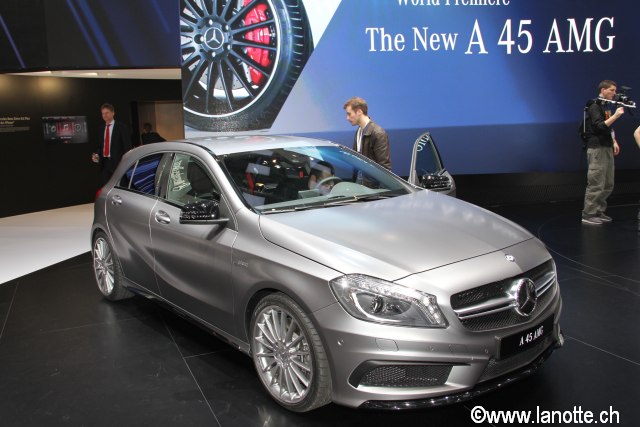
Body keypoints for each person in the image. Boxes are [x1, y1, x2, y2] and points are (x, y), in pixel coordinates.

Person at [581, 80, 625, 225]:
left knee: (607, 182)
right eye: (611, 90)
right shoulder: (594, 105)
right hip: (597, 147)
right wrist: (616, 116)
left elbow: (608, 127)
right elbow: (599, 126)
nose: (614, 93)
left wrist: (613, 140)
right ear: (603, 90)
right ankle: (589, 214)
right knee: (596, 182)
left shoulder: (605, 106)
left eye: (615, 90)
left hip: (606, 146)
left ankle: (599, 211)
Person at [343, 97, 391, 169]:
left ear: (359, 112)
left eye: (349, 114)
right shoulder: (359, 131)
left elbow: (384, 167)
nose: (347, 118)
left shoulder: (378, 133)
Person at [91, 103, 132, 185]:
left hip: (118, 165)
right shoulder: (101, 128)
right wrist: (96, 154)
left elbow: (127, 147)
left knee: (119, 187)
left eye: (107, 113)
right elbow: (100, 146)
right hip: (104, 164)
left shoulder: (122, 127)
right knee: (107, 188)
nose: (104, 115)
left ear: (113, 113)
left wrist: (124, 163)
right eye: (103, 113)